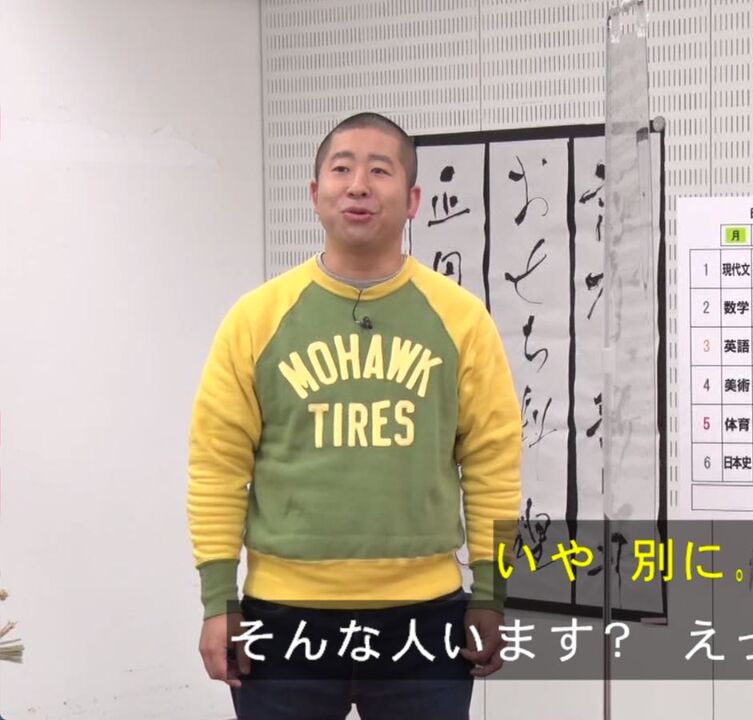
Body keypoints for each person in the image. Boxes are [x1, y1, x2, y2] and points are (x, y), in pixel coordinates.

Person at [187, 111, 522, 719]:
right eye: (342, 169)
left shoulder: (462, 320)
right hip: (283, 622)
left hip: (424, 619)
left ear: (413, 199)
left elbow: (492, 462)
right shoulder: (256, 319)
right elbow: (218, 466)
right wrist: (218, 600)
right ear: (316, 193)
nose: (359, 185)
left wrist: (491, 594)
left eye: (380, 171)